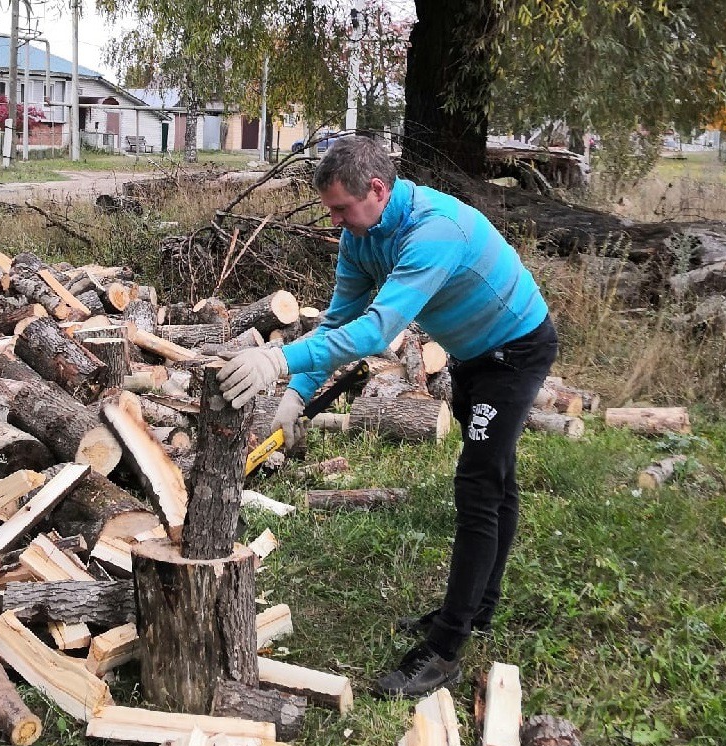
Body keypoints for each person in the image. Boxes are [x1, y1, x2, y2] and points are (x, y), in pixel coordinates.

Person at [217, 135, 557, 698]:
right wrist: (298, 393)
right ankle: (479, 608)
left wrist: (277, 360)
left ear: (377, 190)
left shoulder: (434, 230)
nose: (335, 221)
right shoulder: (361, 237)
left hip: (515, 350)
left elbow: (376, 331)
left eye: (341, 209)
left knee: (478, 485)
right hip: (474, 353)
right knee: (495, 479)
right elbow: (338, 322)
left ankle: (446, 647)